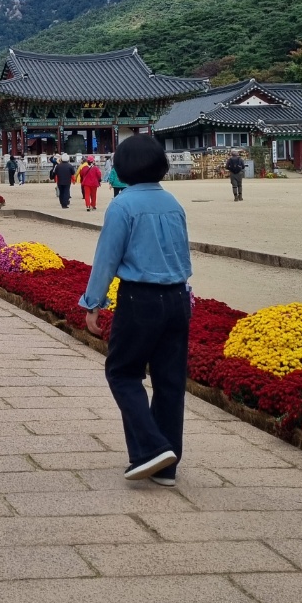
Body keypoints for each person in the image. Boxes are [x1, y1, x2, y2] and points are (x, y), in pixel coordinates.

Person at [81, 134, 192, 486]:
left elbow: (107, 258)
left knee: (123, 372)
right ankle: (166, 468)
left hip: (140, 299)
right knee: (170, 381)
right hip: (177, 298)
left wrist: (93, 303)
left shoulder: (123, 205)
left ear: (122, 168)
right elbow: (181, 254)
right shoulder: (173, 203)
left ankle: (151, 448)